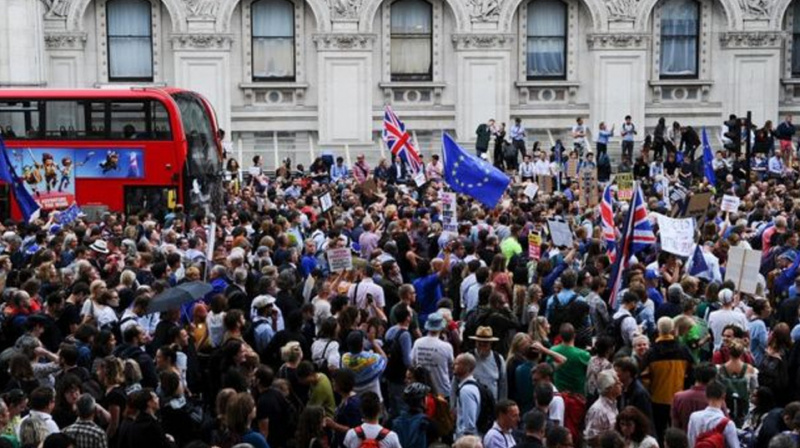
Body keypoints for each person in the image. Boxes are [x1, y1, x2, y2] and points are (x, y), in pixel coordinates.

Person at [640, 317, 694, 442]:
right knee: (678, 433)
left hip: (657, 399)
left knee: (659, 431)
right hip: (679, 397)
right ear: (672, 330)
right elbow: (692, 373)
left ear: (658, 330)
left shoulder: (651, 353)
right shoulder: (683, 350)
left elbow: (643, 377)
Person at [410, 311, 455, 398]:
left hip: (422, 391)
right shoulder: (446, 346)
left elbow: (413, 363)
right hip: (442, 390)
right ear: (441, 328)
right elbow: (451, 369)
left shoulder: (418, 343)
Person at [686, 381, 740, 448]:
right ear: (724, 396)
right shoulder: (728, 424)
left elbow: (691, 441)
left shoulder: (694, 417)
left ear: (706, 395)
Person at [584, 370, 623, 447]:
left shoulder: (612, 404)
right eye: (618, 383)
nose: (621, 384)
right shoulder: (598, 410)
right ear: (609, 388)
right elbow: (591, 438)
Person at [470, 327, 507, 401]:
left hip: (492, 405)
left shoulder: (498, 359)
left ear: (491, 344)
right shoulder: (468, 358)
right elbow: (456, 381)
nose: (482, 347)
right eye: (479, 344)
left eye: (485, 344)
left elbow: (503, 385)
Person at [454, 353, 482, 439]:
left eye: (457, 364)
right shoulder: (467, 386)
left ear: (467, 367)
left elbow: (469, 423)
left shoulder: (466, 391)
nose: (453, 366)